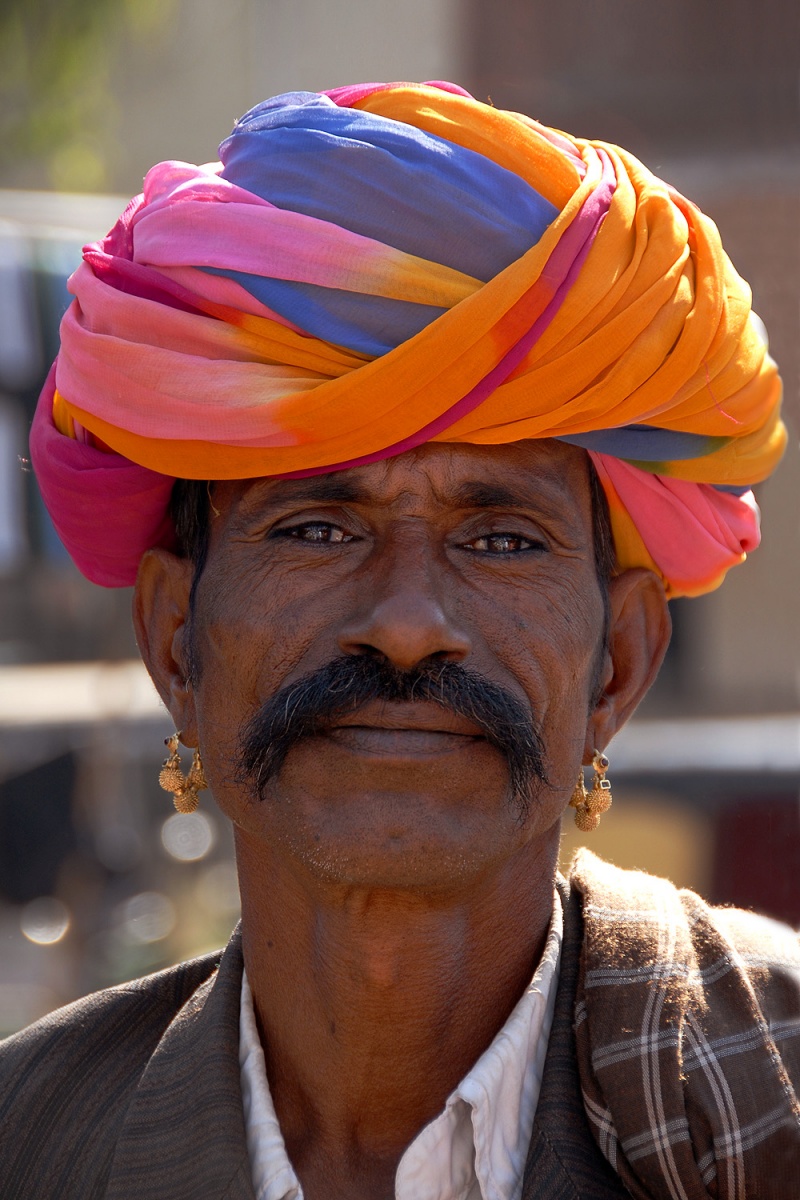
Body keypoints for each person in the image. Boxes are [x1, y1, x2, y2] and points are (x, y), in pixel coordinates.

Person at [1, 81, 797, 1199]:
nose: (411, 621)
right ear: (176, 642)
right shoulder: (33, 1145)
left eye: (503, 541)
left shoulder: (766, 1096)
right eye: (318, 527)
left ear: (617, 664)